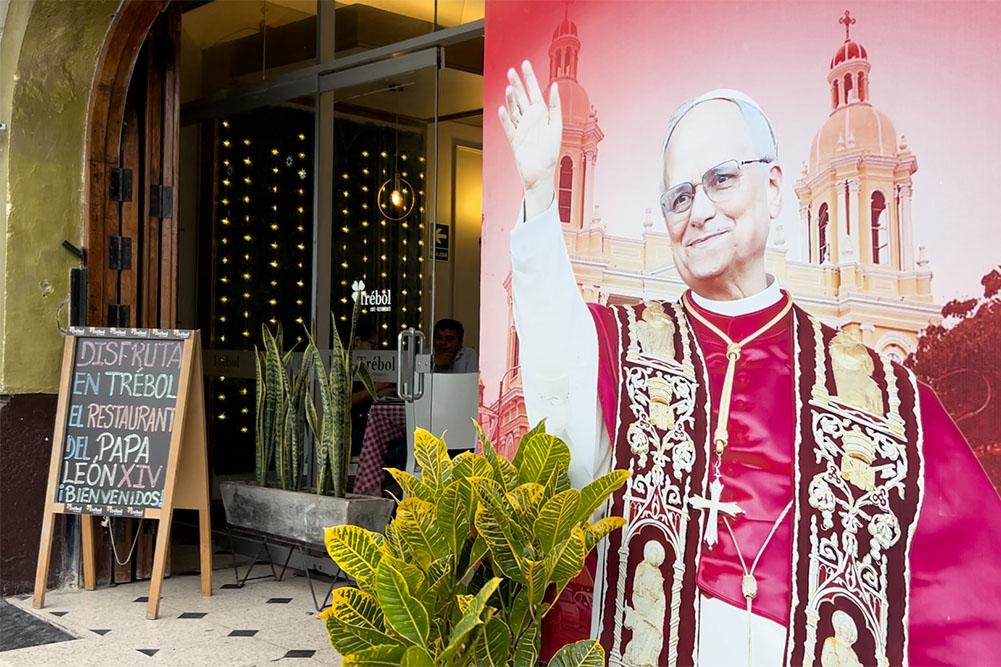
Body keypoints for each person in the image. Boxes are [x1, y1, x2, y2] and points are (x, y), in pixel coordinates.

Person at [499, 60, 1001, 666]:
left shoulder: (882, 393)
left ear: (772, 186)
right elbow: (559, 391)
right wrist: (536, 196)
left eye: (722, 180)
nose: (700, 210)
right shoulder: (624, 346)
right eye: (679, 196)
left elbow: (971, 603)